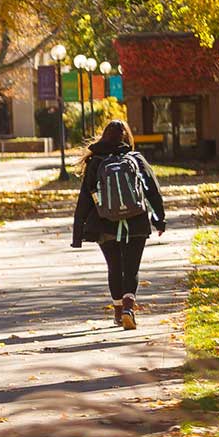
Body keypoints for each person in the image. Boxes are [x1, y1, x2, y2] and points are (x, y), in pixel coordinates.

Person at [71, 120, 165, 329]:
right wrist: (159, 218)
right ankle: (128, 309)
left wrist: (78, 232)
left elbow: (85, 198)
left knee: (114, 267)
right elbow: (152, 190)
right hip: (137, 221)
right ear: (127, 137)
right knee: (131, 268)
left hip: (104, 223)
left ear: (104, 136)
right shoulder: (136, 158)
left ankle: (117, 312)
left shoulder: (95, 161)